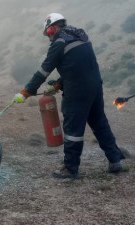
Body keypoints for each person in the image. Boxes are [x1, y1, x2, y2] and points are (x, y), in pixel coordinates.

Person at [13, 13, 126, 179]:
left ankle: (70, 168)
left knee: (73, 128)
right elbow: (77, 65)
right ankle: (115, 160)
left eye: (49, 32)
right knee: (99, 122)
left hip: (78, 90)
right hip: (94, 86)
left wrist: (27, 91)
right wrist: (60, 84)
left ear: (53, 27)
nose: (49, 37)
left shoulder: (59, 42)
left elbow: (44, 71)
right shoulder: (80, 35)